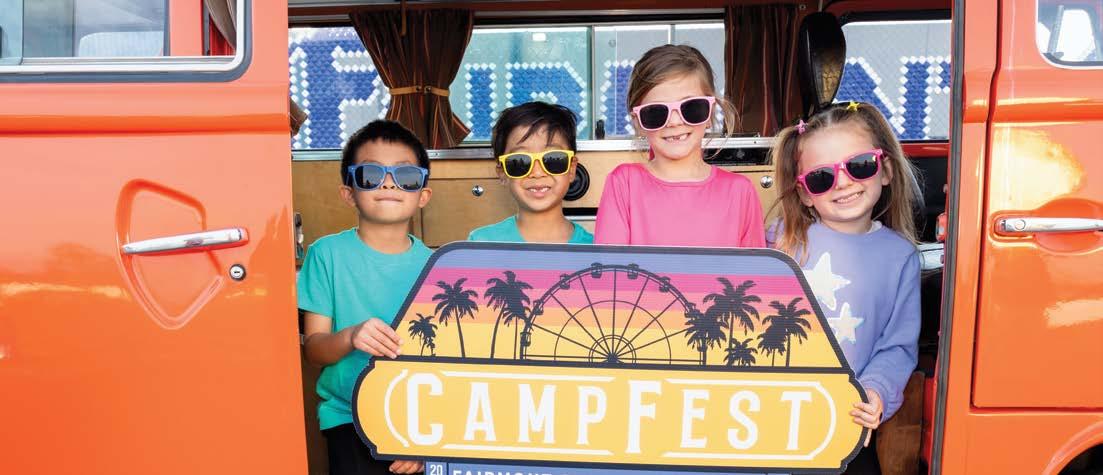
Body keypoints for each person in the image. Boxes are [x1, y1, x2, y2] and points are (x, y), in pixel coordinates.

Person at [769, 101, 923, 474]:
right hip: (773, 419)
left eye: (859, 166)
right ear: (805, 193)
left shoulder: (900, 256)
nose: (842, 183)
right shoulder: (780, 241)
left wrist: (875, 390)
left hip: (843, 420)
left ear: (885, 170)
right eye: (822, 177)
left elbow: (897, 346)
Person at [298, 120, 432, 475]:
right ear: (348, 193)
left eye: (405, 176)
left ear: (423, 195)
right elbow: (314, 351)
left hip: (418, 419)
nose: (388, 183)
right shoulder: (325, 254)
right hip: (347, 417)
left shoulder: (437, 266)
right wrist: (351, 336)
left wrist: (428, 439)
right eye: (371, 175)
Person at [594, 44, 764, 247]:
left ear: (710, 113)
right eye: (656, 112)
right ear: (638, 122)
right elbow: (610, 264)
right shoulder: (623, 184)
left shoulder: (740, 192)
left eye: (691, 108)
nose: (674, 122)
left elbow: (753, 267)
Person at [468, 101, 593, 244]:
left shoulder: (594, 247)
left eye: (553, 159)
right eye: (519, 161)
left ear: (571, 169)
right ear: (502, 173)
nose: (537, 173)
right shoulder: (481, 244)